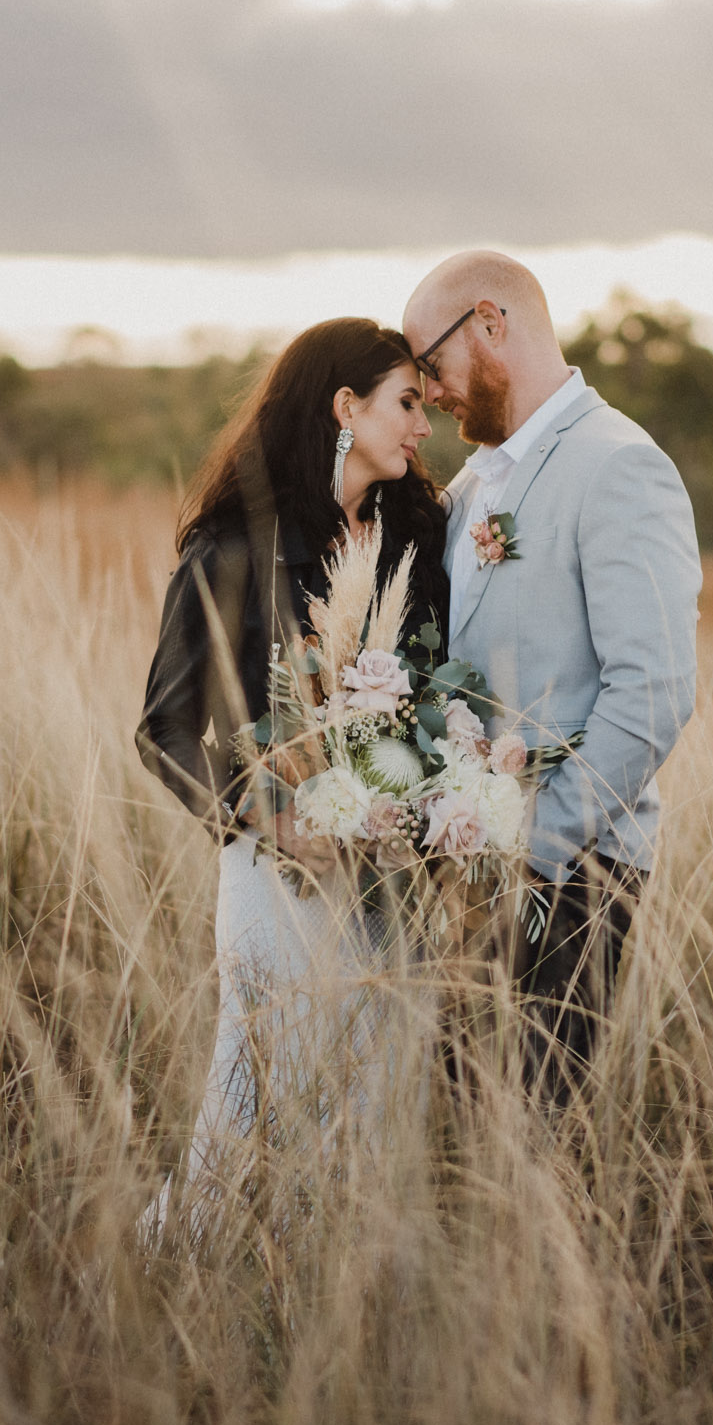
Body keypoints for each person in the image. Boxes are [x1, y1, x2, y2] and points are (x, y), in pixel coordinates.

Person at [135, 317, 450, 1223]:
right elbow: (165, 727)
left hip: (390, 876)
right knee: (252, 1096)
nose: (423, 427)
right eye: (407, 404)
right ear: (346, 406)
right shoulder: (233, 547)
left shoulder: (416, 540)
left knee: (375, 1105)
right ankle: (191, 1277)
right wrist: (268, 818)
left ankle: (340, 1306)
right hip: (276, 871)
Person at [402, 252, 700, 1108]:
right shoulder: (476, 480)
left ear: (491, 325)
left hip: (570, 879)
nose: (429, 393)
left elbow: (654, 689)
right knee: (458, 1130)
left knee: (526, 1140)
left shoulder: (616, 465)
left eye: (432, 365)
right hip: (468, 873)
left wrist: (532, 849)